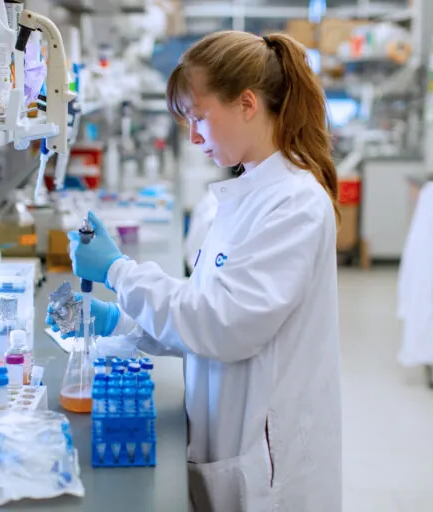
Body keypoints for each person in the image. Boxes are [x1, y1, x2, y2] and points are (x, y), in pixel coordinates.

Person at [65, 31, 342, 511]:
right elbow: (207, 309)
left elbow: (223, 325)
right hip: (230, 435)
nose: (192, 136)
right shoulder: (250, 192)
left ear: (247, 104)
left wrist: (119, 273)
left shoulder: (294, 205)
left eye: (198, 117)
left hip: (265, 466)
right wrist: (123, 321)